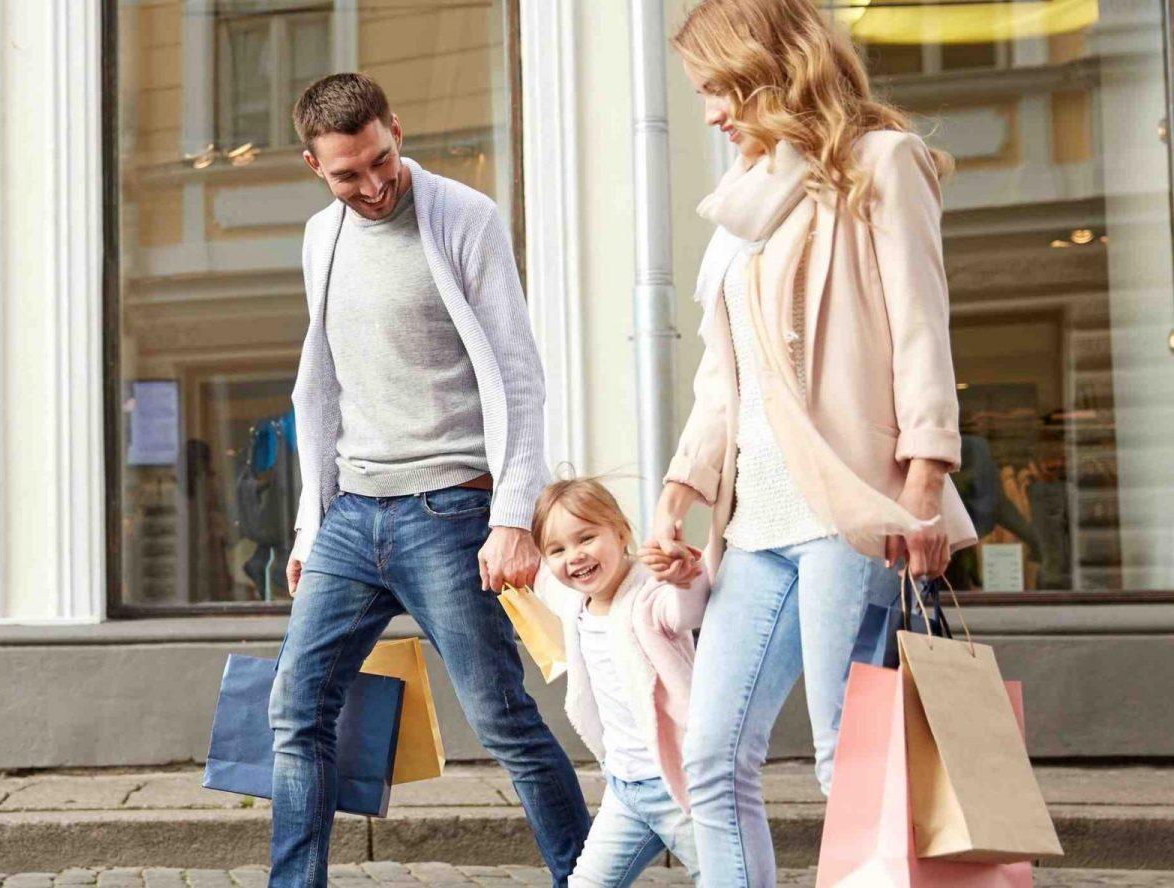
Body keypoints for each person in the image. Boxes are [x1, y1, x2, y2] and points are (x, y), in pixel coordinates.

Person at [648, 1, 979, 884]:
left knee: (852, 762)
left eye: (719, 88)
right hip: (754, 524)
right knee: (711, 760)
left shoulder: (882, 163)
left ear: (771, 67)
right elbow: (727, 374)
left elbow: (921, 332)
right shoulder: (745, 209)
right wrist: (681, 488)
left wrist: (921, 486)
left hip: (851, 510)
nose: (712, 113)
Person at [270, 73, 589, 887]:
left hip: (448, 509)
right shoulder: (321, 237)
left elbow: (518, 376)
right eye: (349, 174)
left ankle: (588, 876)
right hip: (352, 515)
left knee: (502, 718)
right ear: (314, 165)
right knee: (295, 711)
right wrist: (313, 522)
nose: (374, 186)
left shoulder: (463, 218)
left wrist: (513, 515)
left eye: (381, 159)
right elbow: (320, 385)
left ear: (396, 127)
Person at [529, 478, 708, 887]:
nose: (574, 557)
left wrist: (684, 577)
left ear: (622, 531)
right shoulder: (574, 602)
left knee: (726, 876)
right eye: (557, 549)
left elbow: (684, 610)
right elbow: (532, 570)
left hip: (678, 788)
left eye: (586, 537)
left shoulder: (648, 593)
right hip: (624, 790)